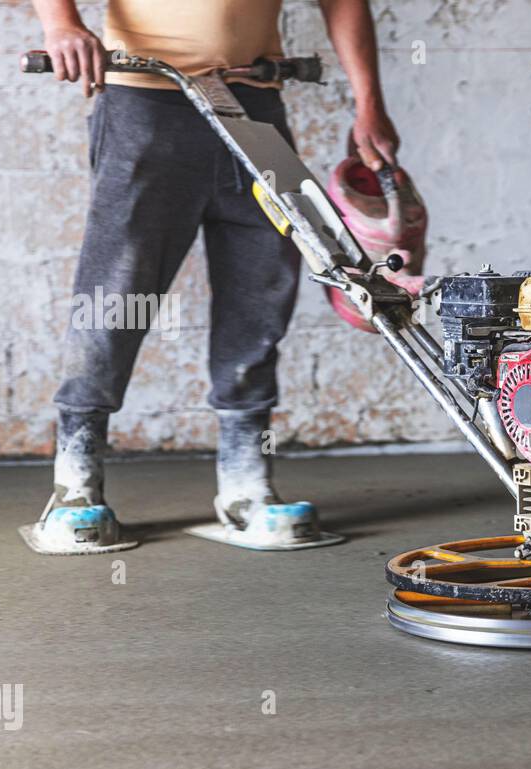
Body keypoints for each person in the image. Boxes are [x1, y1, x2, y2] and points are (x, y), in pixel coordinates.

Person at [27, 0, 399, 552]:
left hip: (253, 107)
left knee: (263, 285)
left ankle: (247, 481)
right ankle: (76, 481)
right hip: (146, 102)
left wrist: (369, 104)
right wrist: (61, 24)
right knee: (118, 291)